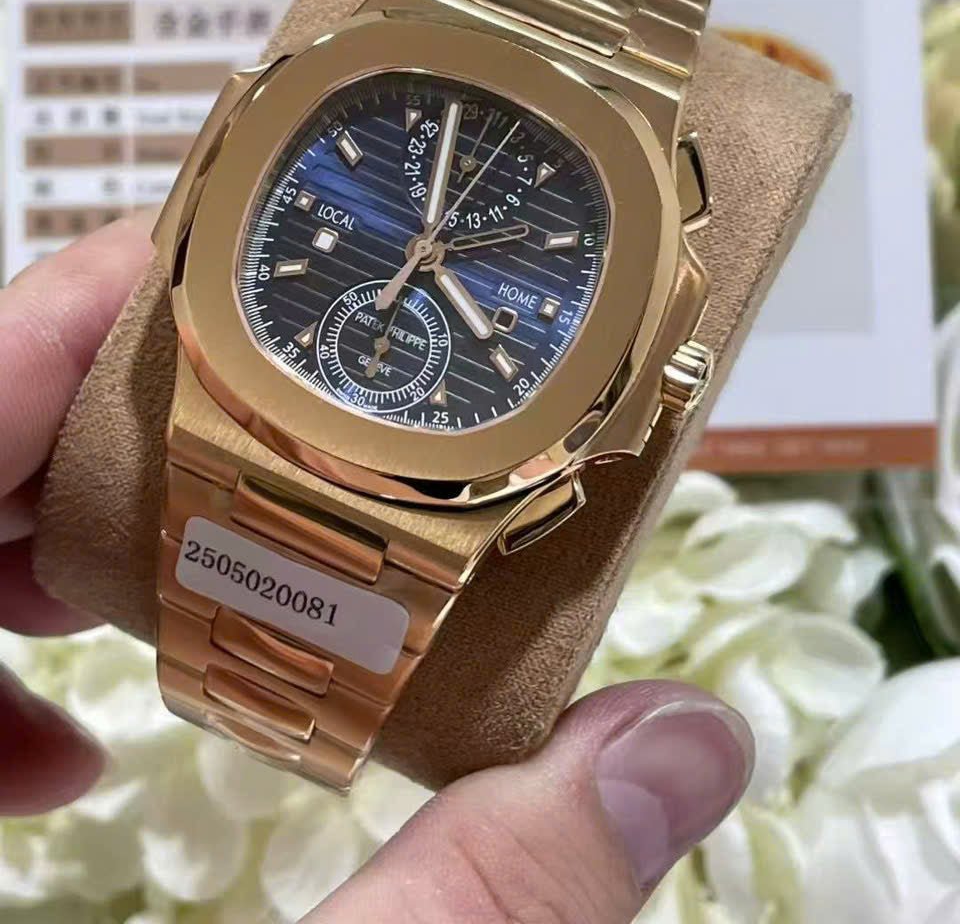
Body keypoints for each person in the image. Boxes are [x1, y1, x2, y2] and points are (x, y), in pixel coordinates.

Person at [0, 214, 753, 923]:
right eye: (421, 241)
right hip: (241, 415)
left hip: (437, 491)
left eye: (436, 251)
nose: (425, 250)